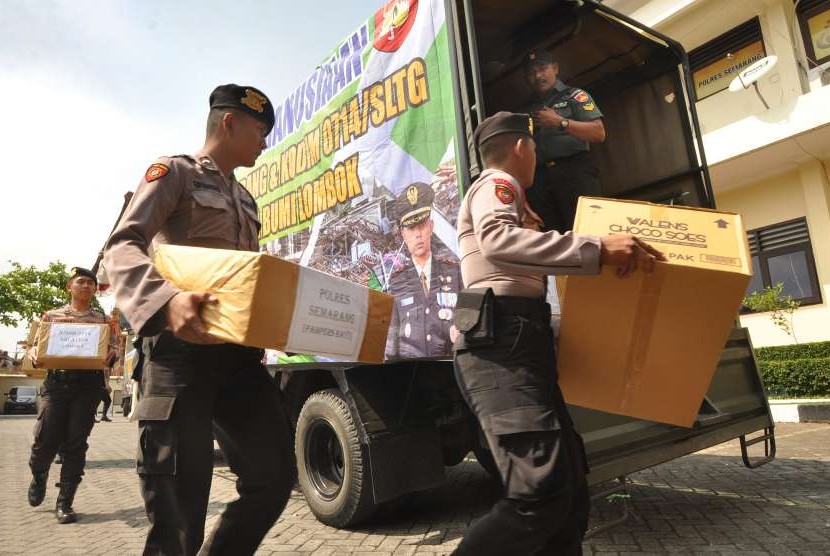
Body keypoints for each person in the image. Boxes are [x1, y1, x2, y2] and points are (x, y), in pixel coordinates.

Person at [452, 112, 664, 555]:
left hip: (522, 342)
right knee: (538, 494)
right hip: (501, 347)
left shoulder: (512, 195)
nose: (535, 155)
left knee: (568, 495)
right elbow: (497, 240)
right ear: (520, 148)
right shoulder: (497, 184)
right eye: (534, 148)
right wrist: (596, 248)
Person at [103, 84, 296, 555]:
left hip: (238, 359)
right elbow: (122, 246)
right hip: (179, 355)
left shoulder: (247, 199)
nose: (265, 142)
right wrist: (166, 300)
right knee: (179, 505)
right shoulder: (175, 174)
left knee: (274, 478)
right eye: (260, 130)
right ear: (229, 123)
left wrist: (279, 321)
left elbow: (246, 280)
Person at [27, 266, 118, 524]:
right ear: (70, 287)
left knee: (75, 444)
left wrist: (111, 356)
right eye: (81, 282)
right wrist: (35, 355)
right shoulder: (52, 316)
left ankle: (64, 502)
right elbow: (35, 347)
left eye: (91, 283)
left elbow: (113, 349)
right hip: (57, 383)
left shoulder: (103, 320)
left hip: (88, 386)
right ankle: (39, 473)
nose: (87, 286)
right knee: (45, 439)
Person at [523, 49, 606, 233]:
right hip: (541, 179)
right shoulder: (528, 109)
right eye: (531, 73)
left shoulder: (575, 96)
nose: (538, 76)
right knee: (554, 237)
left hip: (574, 171)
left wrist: (560, 122)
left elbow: (599, 133)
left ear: (555, 68)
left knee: (587, 232)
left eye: (542, 68)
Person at [385, 181, 462, 359]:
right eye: (411, 228)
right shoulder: (397, 282)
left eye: (422, 225)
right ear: (403, 234)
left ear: (431, 227)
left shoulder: (454, 273)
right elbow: (391, 343)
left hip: (450, 365)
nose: (418, 234)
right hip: (412, 372)